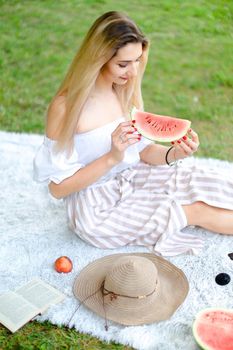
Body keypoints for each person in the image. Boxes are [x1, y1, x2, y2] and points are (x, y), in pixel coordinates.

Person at [33, 11, 233, 257]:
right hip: (97, 207)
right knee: (195, 209)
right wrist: (112, 157)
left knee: (201, 179)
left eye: (137, 60)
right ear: (99, 59)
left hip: (132, 175)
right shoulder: (65, 107)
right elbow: (57, 189)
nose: (134, 72)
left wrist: (174, 153)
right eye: (123, 64)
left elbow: (144, 150)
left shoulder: (122, 90)